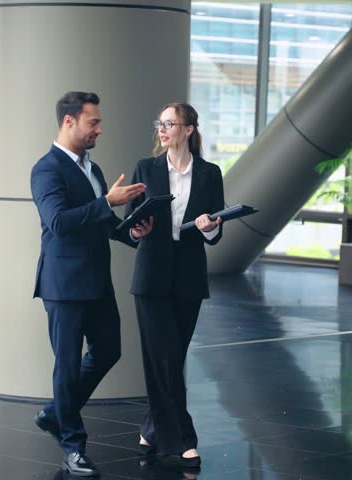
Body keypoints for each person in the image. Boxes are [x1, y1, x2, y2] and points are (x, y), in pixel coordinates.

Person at [30, 91, 146, 477]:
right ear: (69, 122)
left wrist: (132, 231)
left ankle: (54, 413)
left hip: (97, 282)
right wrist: (107, 203)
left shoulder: (91, 169)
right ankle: (73, 446)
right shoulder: (46, 169)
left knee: (109, 350)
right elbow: (59, 222)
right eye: (92, 121)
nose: (100, 128)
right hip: (63, 286)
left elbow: (102, 222)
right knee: (65, 367)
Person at [123, 102, 224, 469]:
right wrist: (136, 229)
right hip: (150, 275)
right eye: (160, 123)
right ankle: (184, 439)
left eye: (170, 123)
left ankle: (150, 428)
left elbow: (216, 227)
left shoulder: (210, 174)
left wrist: (211, 228)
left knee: (171, 357)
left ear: (189, 130)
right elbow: (129, 224)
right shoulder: (145, 169)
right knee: (163, 357)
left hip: (189, 276)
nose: (162, 129)